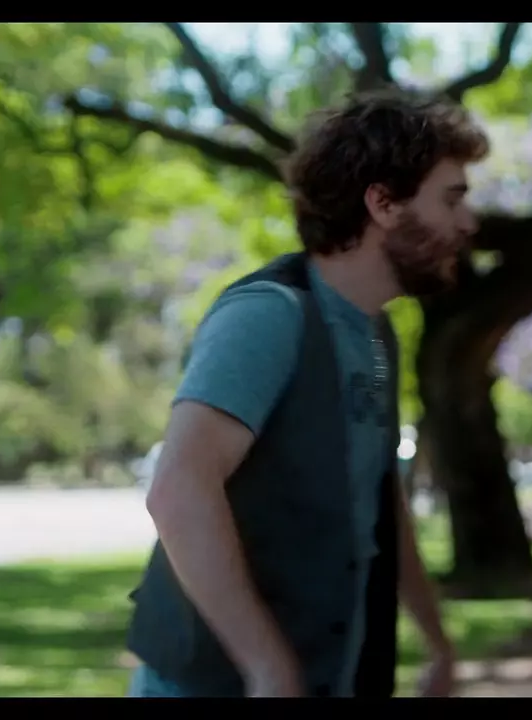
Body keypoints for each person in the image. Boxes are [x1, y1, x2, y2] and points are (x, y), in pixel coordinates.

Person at [123, 88, 490, 698]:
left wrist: (437, 642)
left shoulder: (375, 333)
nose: (468, 222)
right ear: (383, 203)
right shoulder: (268, 316)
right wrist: (268, 667)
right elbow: (179, 490)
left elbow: (378, 499)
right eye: (451, 198)